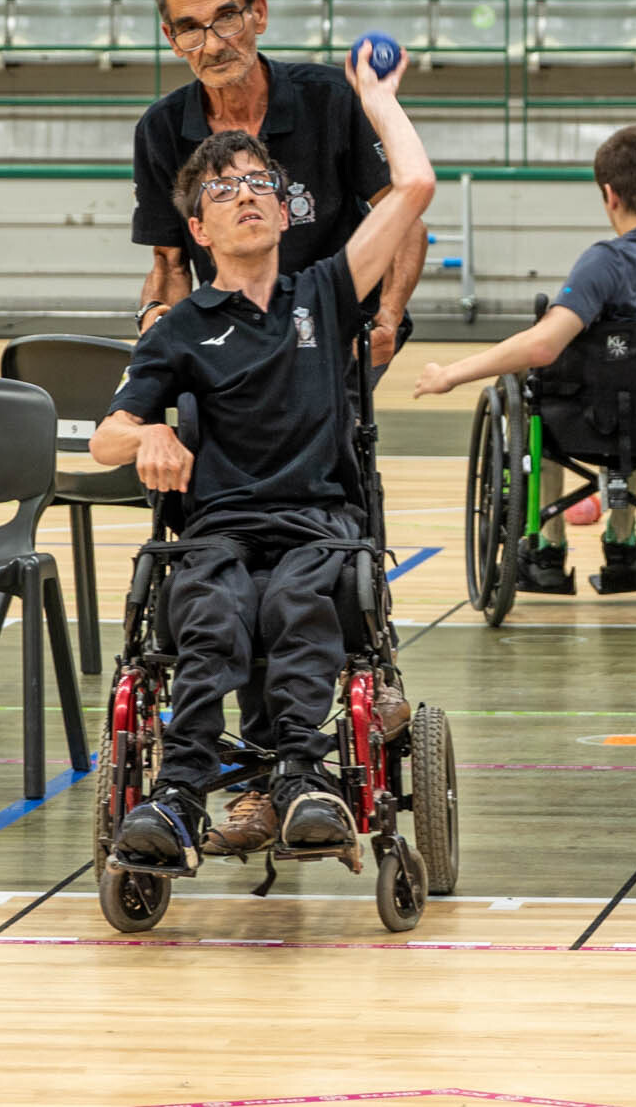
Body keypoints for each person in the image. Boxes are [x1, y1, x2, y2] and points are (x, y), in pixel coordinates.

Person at [91, 45, 434, 868]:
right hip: (219, 531)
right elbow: (106, 436)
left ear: (284, 211)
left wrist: (378, 99)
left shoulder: (326, 292)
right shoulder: (178, 329)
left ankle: (301, 775)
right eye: (222, 188)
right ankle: (178, 795)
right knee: (210, 613)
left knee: (296, 604)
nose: (245, 194)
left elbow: (414, 187)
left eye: (259, 184)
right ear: (197, 229)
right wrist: (151, 433)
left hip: (317, 525)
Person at [413, 125, 636, 594]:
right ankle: (622, 543)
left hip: (584, 424)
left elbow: (543, 346)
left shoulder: (605, 262)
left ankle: (548, 547)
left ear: (610, 195)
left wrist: (449, 374)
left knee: (540, 384)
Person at [130, 0, 426, 372]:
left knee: (320, 409)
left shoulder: (332, 98)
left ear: (259, 13)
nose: (213, 45)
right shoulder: (160, 128)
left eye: (226, 18)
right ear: (172, 39)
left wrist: (389, 316)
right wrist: (156, 321)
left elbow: (405, 221)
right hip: (237, 325)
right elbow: (169, 261)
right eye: (190, 29)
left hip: (343, 321)